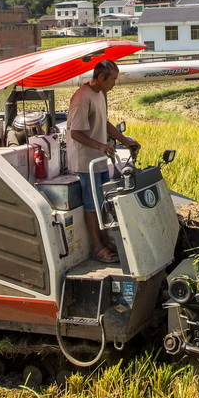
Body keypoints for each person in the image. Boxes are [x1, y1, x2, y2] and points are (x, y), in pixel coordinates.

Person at [67, 60, 139, 263]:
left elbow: (104, 122)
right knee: (92, 205)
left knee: (101, 202)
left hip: (99, 159)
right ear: (100, 78)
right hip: (85, 162)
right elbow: (76, 133)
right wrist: (100, 146)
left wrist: (126, 141)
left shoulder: (99, 95)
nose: (114, 84)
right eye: (113, 79)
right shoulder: (82, 98)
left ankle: (105, 239)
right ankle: (97, 247)